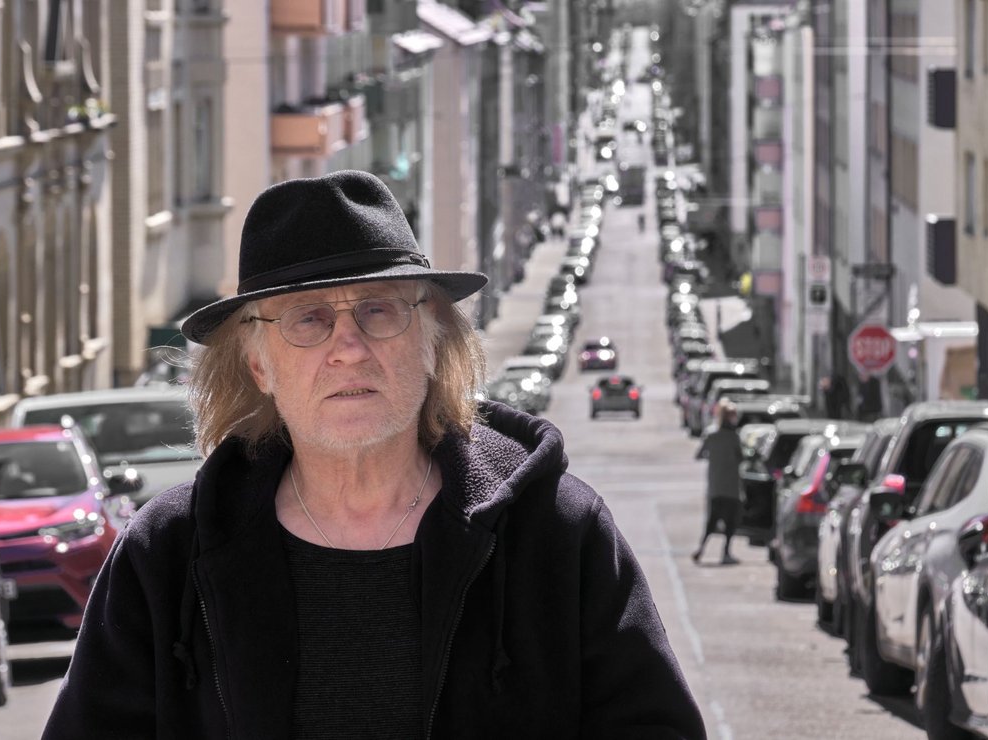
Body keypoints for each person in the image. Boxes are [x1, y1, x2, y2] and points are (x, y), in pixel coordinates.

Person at [42, 171, 706, 739]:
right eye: (308, 319)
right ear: (258, 364)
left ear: (433, 339)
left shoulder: (558, 533)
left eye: (379, 311)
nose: (349, 347)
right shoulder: (168, 554)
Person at [691, 400, 744, 566]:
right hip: (731, 486)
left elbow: (699, 454)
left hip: (716, 486)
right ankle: (725, 552)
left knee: (712, 521)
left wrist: (713, 456)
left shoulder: (711, 435)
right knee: (730, 521)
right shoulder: (734, 437)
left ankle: (702, 548)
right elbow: (741, 457)